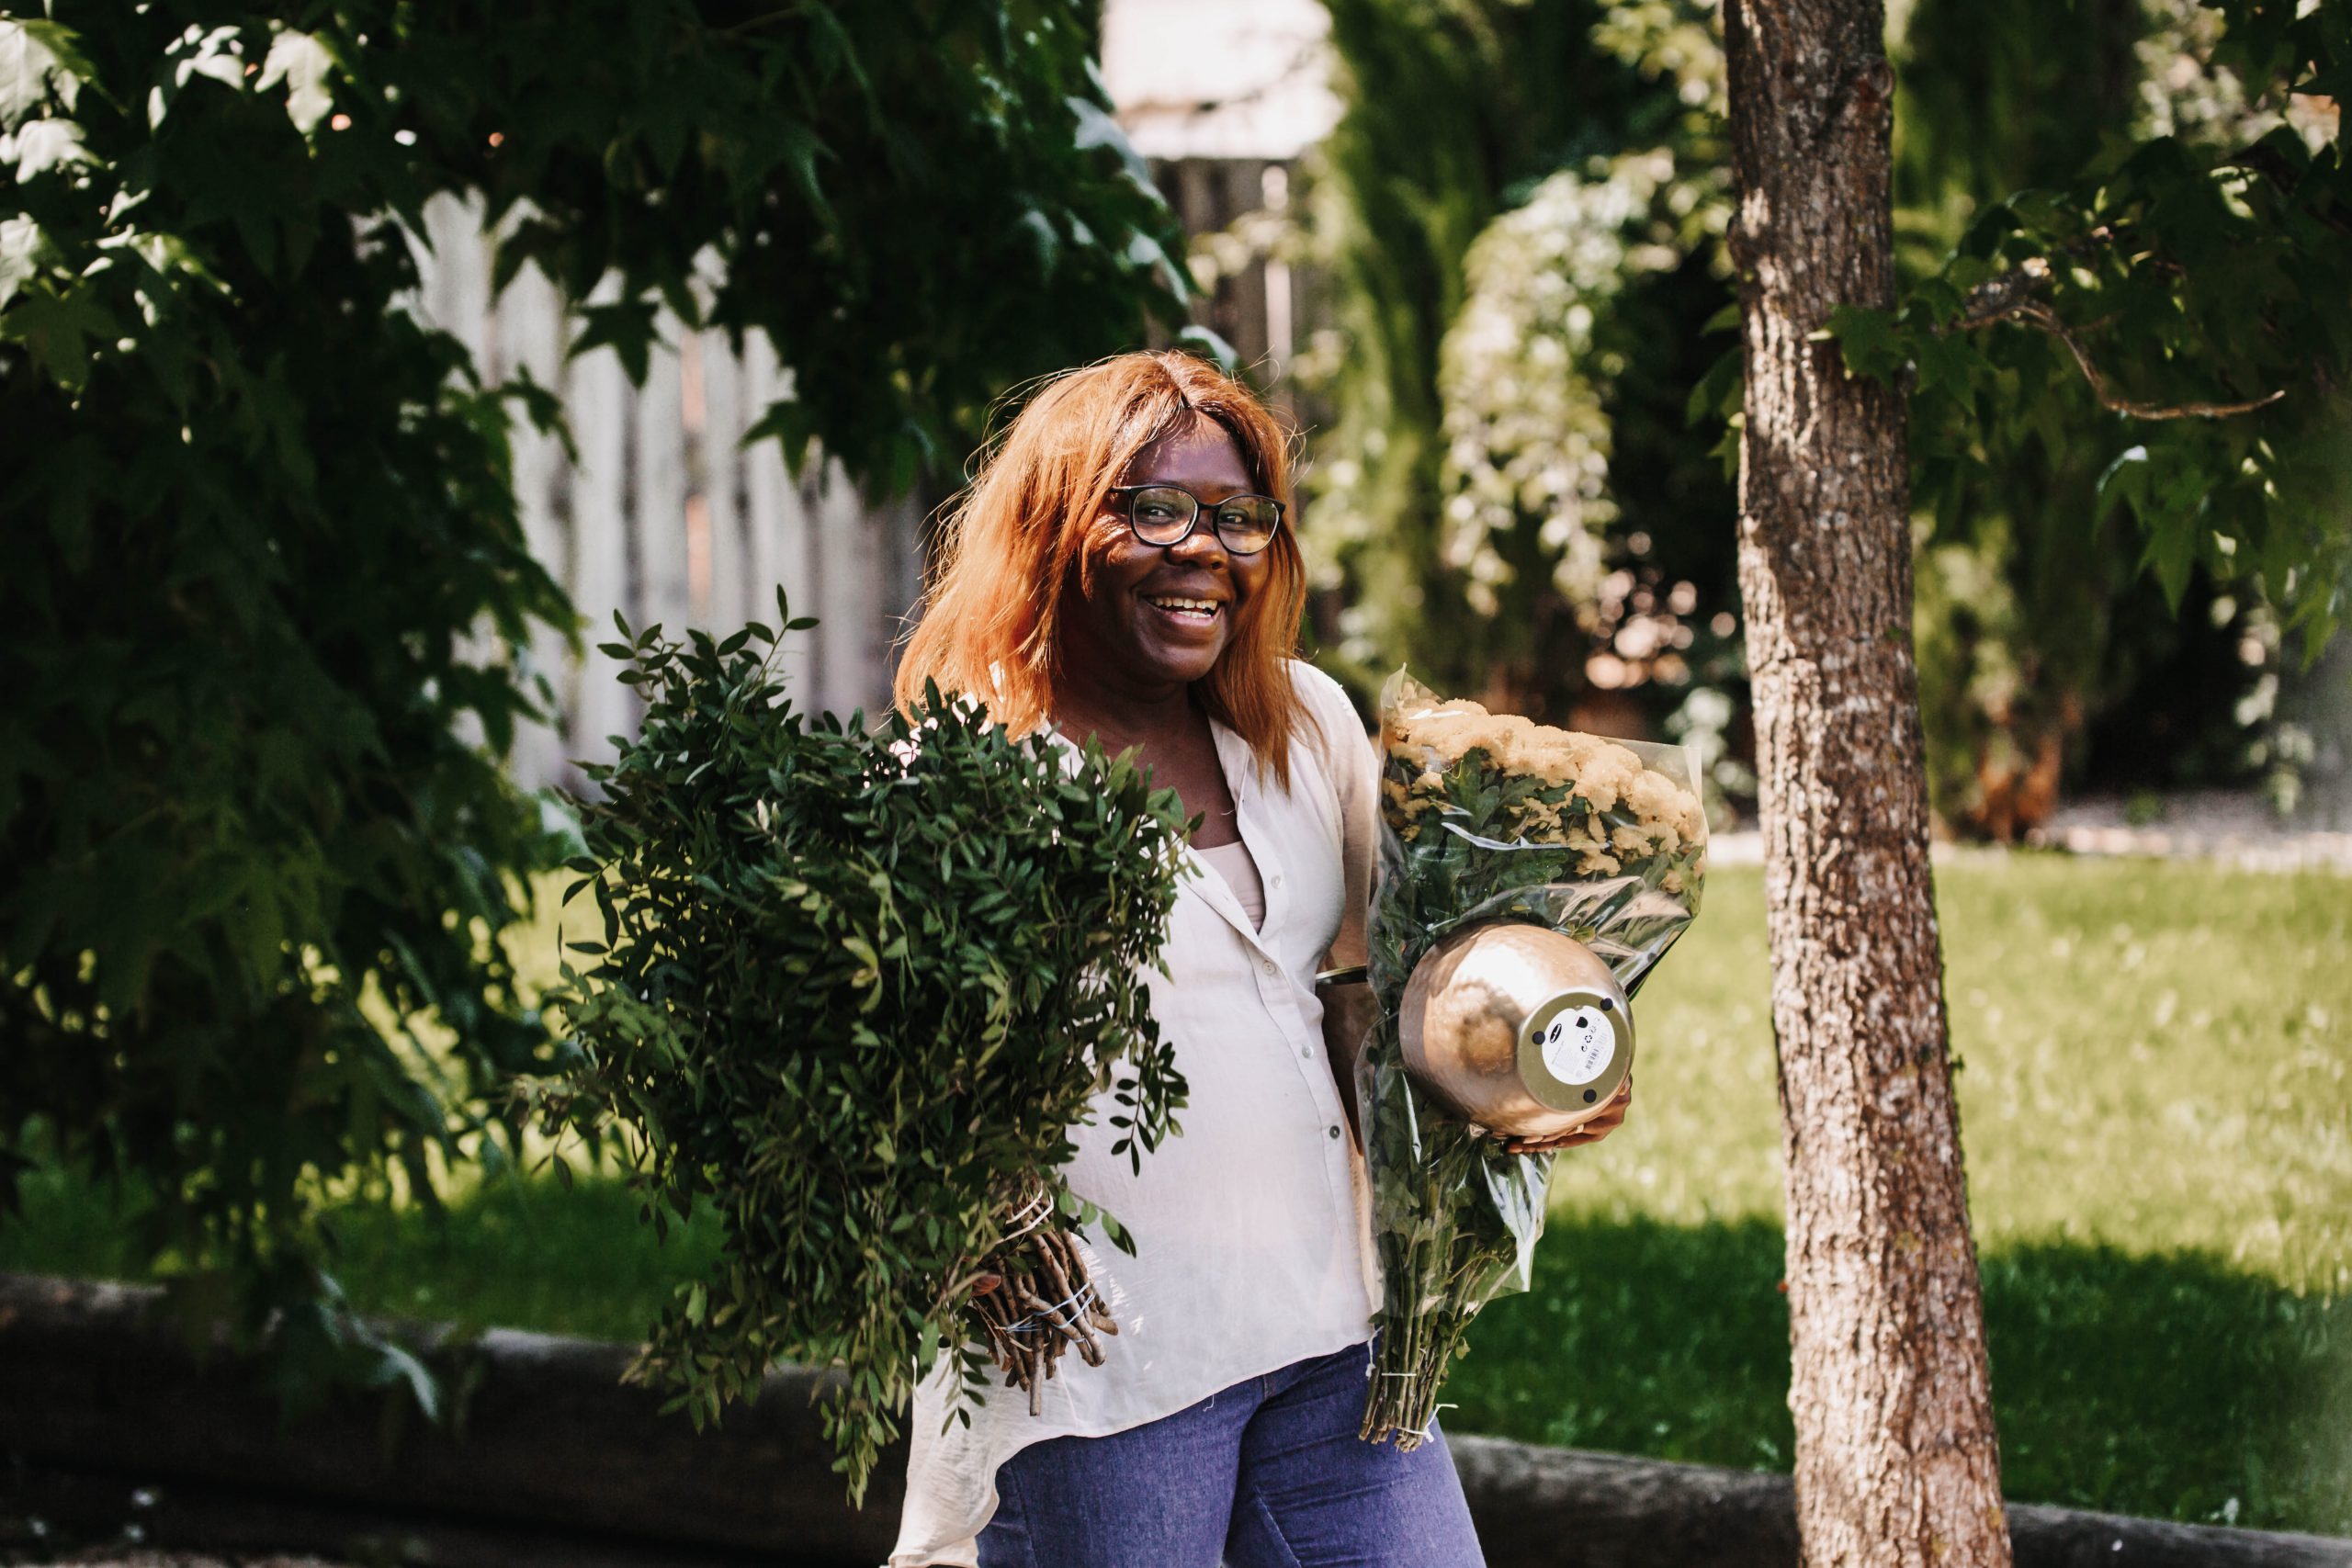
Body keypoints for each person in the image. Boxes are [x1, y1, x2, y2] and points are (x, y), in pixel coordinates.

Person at [885, 351, 1630, 1568]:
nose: (1207, 551)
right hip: (1104, 1368)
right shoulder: (966, 782)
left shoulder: (1300, 726)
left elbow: (1370, 991)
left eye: (1238, 518)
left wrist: (1514, 1074)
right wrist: (957, 1220)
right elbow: (878, 1076)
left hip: (1336, 1330)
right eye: (1157, 509)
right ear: (1056, 526)